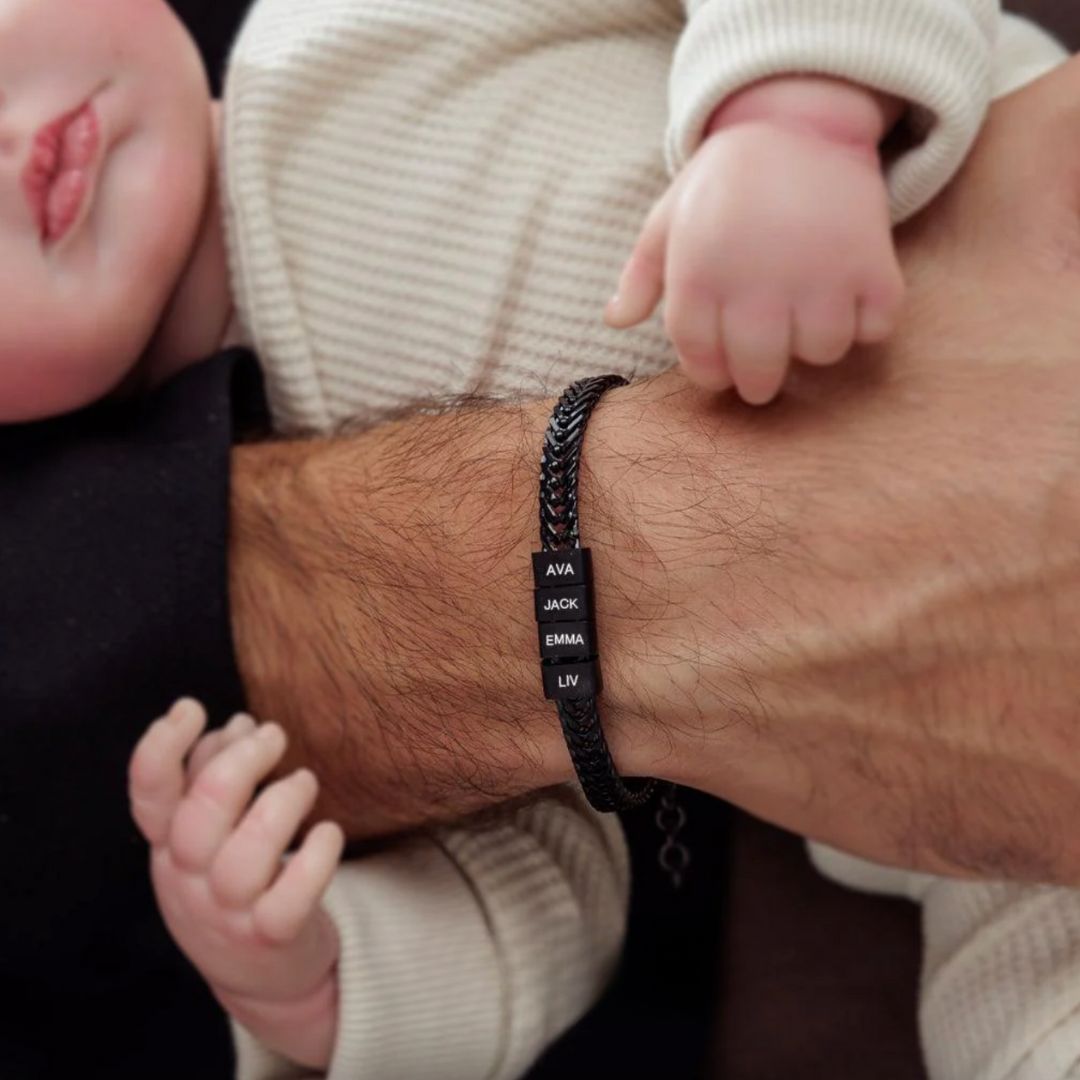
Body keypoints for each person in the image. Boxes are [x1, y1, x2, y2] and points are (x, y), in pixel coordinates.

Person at [4, 3, 1080, 1080]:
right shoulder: (280, 573)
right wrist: (318, 975)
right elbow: (561, 875)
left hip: (1023, 232)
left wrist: (801, 109)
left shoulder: (357, 25)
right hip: (996, 805)